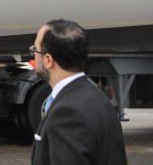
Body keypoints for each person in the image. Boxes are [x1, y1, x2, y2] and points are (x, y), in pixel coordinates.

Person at [30, 19, 127, 165]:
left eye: (35, 50)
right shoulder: (97, 97)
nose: (33, 55)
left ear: (48, 60)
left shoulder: (67, 113)